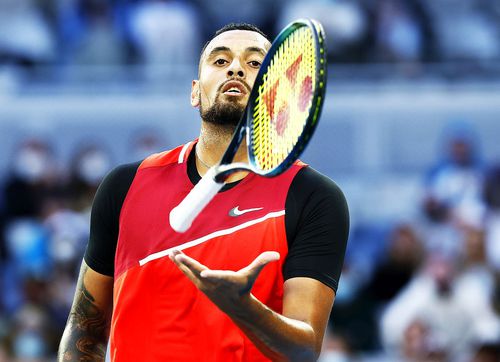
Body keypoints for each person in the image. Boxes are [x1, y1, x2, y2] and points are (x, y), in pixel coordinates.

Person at [57, 23, 349, 361]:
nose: (236, 67)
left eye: (256, 63)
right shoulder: (125, 186)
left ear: (278, 97)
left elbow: (304, 350)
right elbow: (85, 332)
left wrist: (243, 307)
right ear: (195, 92)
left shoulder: (312, 196)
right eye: (220, 61)